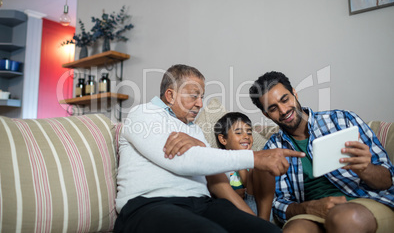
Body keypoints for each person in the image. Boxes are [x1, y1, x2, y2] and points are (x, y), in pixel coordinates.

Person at [114, 64, 304, 233]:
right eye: (194, 96)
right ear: (170, 95)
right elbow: (182, 161)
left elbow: (214, 176)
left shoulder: (194, 129)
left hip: (203, 204)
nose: (200, 104)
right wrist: (255, 157)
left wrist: (251, 219)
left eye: (202, 97)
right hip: (151, 205)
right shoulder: (144, 114)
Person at [249, 71, 394, 233]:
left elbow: (388, 181)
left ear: (294, 93)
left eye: (285, 99)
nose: (283, 110)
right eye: (273, 108)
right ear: (266, 114)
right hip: (312, 213)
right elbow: (278, 202)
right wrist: (306, 208)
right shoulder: (272, 149)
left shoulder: (343, 120)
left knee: (342, 219)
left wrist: (366, 169)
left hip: (364, 202)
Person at [214, 112, 274, 221]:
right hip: (236, 207)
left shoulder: (256, 160)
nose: (246, 136)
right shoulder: (219, 163)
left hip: (258, 206)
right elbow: (215, 191)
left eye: (249, 132)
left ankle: (264, 224)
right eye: (238, 132)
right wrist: (232, 195)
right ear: (223, 139)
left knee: (263, 167)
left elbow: (253, 186)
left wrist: (243, 158)